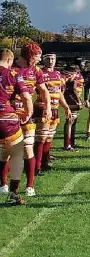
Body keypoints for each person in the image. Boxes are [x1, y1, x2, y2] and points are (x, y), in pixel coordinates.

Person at [1, 42, 50, 197]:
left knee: (28, 148)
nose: (39, 60)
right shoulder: (10, 70)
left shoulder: (36, 71)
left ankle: (30, 185)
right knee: (6, 152)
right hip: (11, 118)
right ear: (29, 56)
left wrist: (48, 107)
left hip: (27, 117)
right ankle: (3, 184)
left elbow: (43, 91)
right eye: (37, 57)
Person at [0, 49, 33, 205]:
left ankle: (2, 185)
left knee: (2, 153)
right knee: (17, 154)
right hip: (7, 119)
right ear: (9, 60)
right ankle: (13, 193)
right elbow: (26, 97)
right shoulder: (13, 74)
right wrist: (27, 113)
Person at [33, 53, 72, 174]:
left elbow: (59, 92)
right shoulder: (39, 73)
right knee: (41, 137)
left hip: (55, 109)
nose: (51, 61)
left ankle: (44, 162)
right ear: (43, 60)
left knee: (49, 137)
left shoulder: (57, 74)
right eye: (48, 59)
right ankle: (36, 166)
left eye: (53, 59)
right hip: (43, 109)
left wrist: (66, 107)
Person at [62, 65, 84, 151]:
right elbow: (75, 91)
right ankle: (68, 144)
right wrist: (79, 101)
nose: (76, 75)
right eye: (74, 73)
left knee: (71, 123)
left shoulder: (64, 82)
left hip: (68, 103)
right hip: (72, 103)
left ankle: (70, 143)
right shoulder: (72, 82)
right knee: (70, 123)